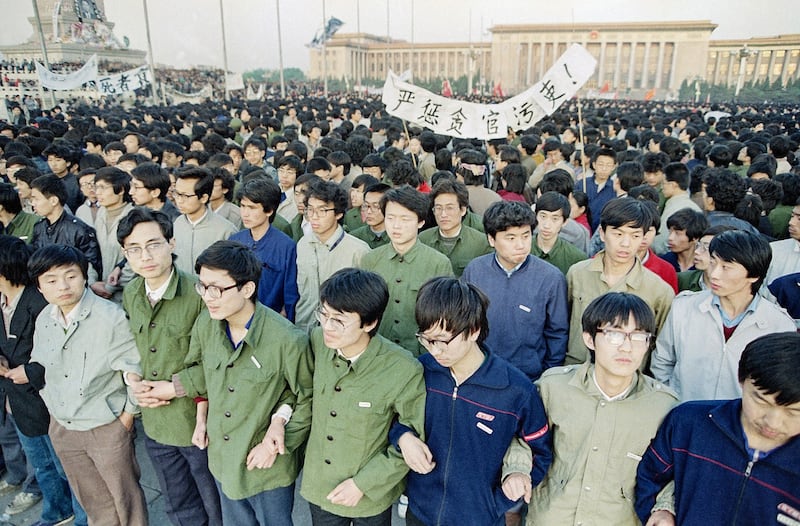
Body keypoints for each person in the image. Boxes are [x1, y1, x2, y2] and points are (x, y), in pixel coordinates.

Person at [146, 240, 312, 525]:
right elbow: (199, 371)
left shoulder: (287, 339)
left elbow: (306, 397)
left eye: (217, 289)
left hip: (265, 465)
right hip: (222, 458)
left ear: (247, 289)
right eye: (202, 286)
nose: (207, 296)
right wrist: (200, 419)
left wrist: (275, 440)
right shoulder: (206, 325)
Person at [394, 277, 552, 526]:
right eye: (426, 339)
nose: (435, 351)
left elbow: (540, 449)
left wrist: (503, 496)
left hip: (480, 518)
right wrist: (404, 438)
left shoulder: (516, 390)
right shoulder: (421, 372)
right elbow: (395, 419)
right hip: (420, 512)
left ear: (474, 330)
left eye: (443, 340)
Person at [525, 292, 678, 525]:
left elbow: (679, 470)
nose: (627, 347)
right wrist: (516, 471)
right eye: (614, 334)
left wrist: (665, 507)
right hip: (553, 516)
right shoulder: (553, 387)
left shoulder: (664, 405)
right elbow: (522, 439)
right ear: (589, 338)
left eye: (638, 336)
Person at [26, 244, 148, 526]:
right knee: (91, 500)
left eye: (71, 275)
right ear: (40, 287)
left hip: (106, 425)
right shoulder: (46, 318)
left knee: (125, 500)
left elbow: (133, 368)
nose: (63, 286)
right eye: (51, 280)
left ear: (84, 276)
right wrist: (52, 405)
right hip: (64, 425)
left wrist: (127, 419)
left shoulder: (110, 316)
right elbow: (40, 363)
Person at [117, 209, 223, 526]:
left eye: (154, 244)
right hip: (155, 423)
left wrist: (174, 387)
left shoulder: (198, 294)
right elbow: (129, 347)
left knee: (214, 503)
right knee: (178, 503)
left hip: (197, 423)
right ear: (125, 253)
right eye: (134, 249)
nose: (145, 256)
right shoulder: (133, 292)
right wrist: (131, 379)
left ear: (171, 243)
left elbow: (220, 362)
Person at [300, 268, 426, 526]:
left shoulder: (402, 369)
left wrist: (363, 484)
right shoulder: (317, 342)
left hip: (368, 496)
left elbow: (414, 436)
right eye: (324, 314)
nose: (327, 326)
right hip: (320, 485)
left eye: (339, 320)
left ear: (369, 323)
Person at [636, 332, 800, 526]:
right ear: (741, 380)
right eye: (761, 400)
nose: (772, 422)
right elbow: (650, 477)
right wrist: (661, 510)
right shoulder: (689, 424)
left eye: (793, 411)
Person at [651, 230, 795, 401]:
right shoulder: (684, 307)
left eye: (726, 267)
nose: (714, 274)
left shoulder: (779, 325)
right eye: (713, 263)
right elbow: (662, 362)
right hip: (684, 415)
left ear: (754, 275)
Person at [0, 236, 82, 526]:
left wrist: (31, 371)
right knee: (42, 465)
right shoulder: (2, 300)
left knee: (66, 467)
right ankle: (57, 512)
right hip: (17, 401)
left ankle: (82, 517)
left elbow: (63, 352)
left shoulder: (39, 302)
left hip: (47, 399)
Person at [463, 201, 569, 381]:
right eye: (510, 238)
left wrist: (547, 378)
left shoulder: (551, 278)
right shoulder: (475, 271)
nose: (520, 245)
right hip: (480, 372)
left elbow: (557, 334)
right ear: (491, 239)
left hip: (529, 377)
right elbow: (462, 322)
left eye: (525, 236)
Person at [566, 198, 675, 365]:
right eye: (618, 234)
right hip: (577, 372)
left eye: (635, 235)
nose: (626, 243)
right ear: (602, 233)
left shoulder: (659, 290)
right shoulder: (577, 274)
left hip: (628, 380)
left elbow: (660, 347)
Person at [359, 186, 453, 354]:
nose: (396, 226)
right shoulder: (370, 260)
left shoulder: (438, 263)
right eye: (390, 218)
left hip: (421, 355)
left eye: (405, 219)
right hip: (378, 352)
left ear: (421, 222)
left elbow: (445, 317)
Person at [295, 181, 370, 331]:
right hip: (304, 327)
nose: (314, 217)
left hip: (340, 332)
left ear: (339, 213)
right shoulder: (302, 244)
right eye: (310, 210)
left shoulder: (358, 251)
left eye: (322, 210)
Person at [230, 177, 299, 321]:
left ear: (269, 210)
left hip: (271, 319)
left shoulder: (286, 246)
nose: (245, 213)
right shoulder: (234, 241)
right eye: (242, 206)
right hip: (237, 316)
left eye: (252, 208)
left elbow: (290, 293)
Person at [29, 174, 102, 283]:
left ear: (53, 201)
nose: (33, 204)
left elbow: (91, 266)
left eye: (36, 199)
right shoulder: (39, 227)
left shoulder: (79, 229)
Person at [418, 179, 491, 277]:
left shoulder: (481, 243)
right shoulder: (423, 239)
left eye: (449, 208)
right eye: (438, 208)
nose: (443, 214)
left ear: (463, 210)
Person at [172, 167, 237, 275]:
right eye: (177, 194)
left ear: (204, 198)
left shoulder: (225, 230)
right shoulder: (177, 224)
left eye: (185, 196)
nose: (179, 200)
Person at [531, 191, 588, 275]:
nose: (547, 225)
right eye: (543, 216)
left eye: (555, 219)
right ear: (536, 216)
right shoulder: (522, 249)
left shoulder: (576, 258)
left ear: (565, 222)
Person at [660, 208, 708, 273]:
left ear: (695, 237)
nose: (670, 238)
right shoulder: (663, 262)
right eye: (670, 232)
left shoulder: (704, 267)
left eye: (678, 233)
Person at [350, 183, 391, 249]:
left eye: (375, 206)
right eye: (366, 205)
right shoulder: (354, 238)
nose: (369, 211)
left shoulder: (397, 238)